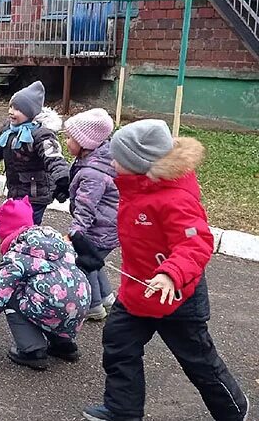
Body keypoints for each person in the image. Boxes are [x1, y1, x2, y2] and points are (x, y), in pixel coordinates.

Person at [82, 120, 249, 421]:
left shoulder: (175, 198)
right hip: (138, 293)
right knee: (119, 343)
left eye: (117, 156)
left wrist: (170, 274)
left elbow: (196, 244)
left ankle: (233, 410)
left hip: (178, 296)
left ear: (138, 163)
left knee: (199, 361)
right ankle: (123, 409)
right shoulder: (135, 189)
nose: (111, 160)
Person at [0, 197, 90, 371]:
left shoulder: (17, 256)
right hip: (80, 303)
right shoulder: (56, 241)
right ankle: (63, 344)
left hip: (53, 305)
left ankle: (32, 350)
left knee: (11, 295)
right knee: (49, 296)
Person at [0, 81, 69, 225]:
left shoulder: (41, 135)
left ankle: (30, 246)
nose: (11, 112)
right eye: (11, 107)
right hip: (16, 189)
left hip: (35, 194)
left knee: (28, 226)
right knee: (13, 224)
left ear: (31, 113)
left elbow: (54, 158)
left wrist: (62, 180)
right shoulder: (8, 130)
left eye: (18, 109)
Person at [63, 108, 119, 321]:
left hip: (98, 230)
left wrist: (74, 234)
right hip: (106, 228)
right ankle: (106, 297)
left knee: (83, 263)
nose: (66, 142)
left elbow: (86, 208)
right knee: (95, 261)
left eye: (70, 138)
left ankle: (94, 306)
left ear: (85, 142)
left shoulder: (92, 173)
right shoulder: (94, 159)